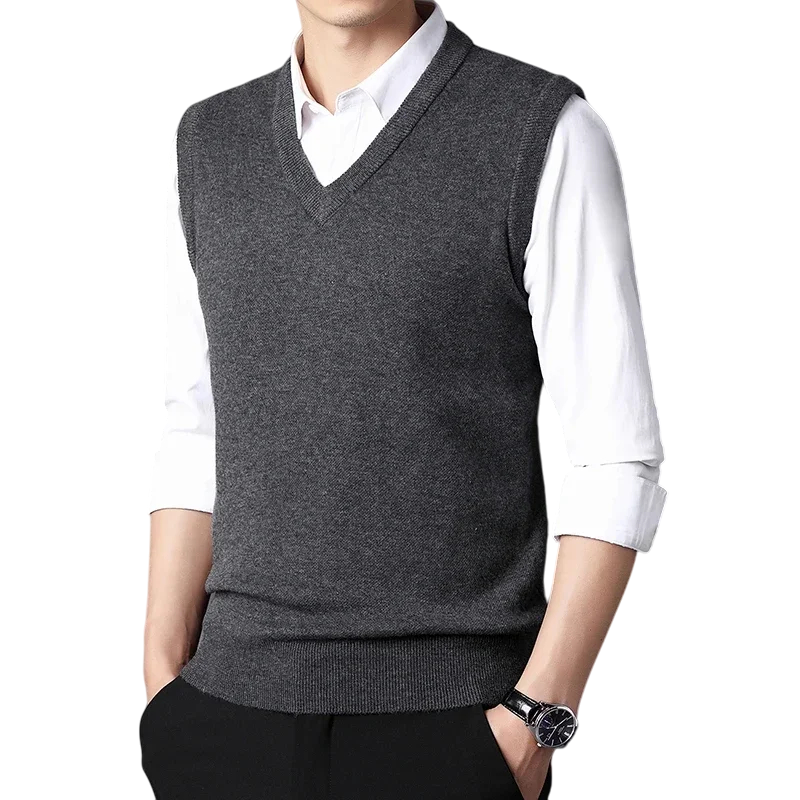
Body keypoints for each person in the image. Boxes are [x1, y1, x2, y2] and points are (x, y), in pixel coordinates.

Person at [140, 2, 667, 798]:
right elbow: (197, 424)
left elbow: (615, 455)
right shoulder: (210, 143)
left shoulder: (541, 130)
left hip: (450, 726)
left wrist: (535, 721)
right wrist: (163, 678)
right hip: (225, 720)